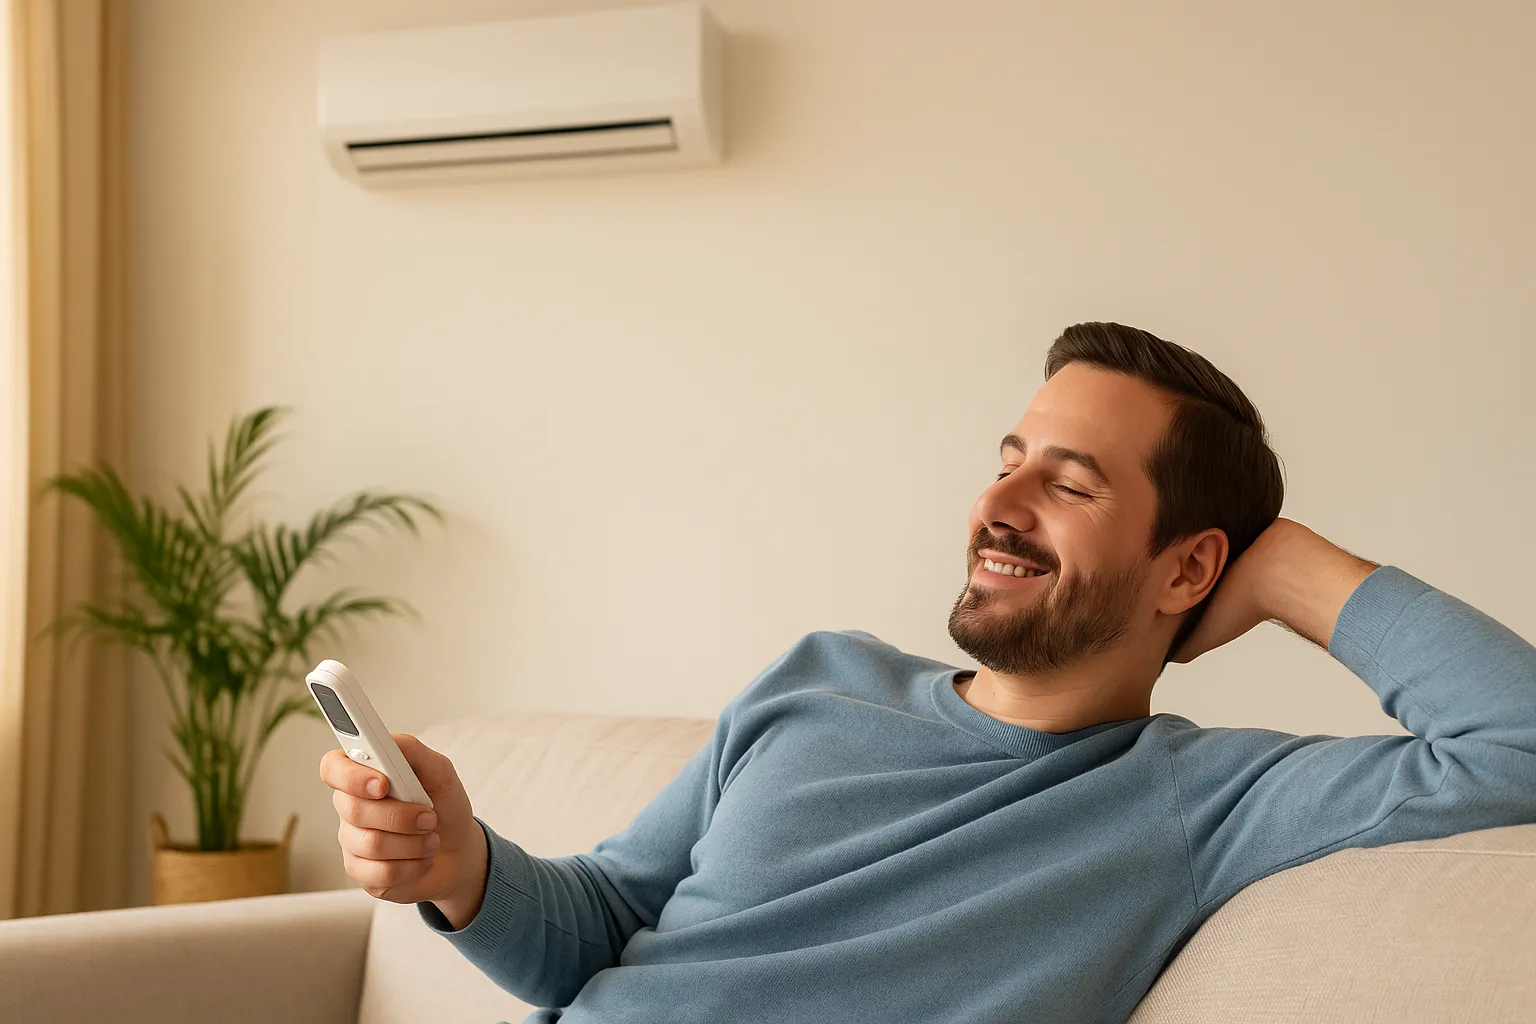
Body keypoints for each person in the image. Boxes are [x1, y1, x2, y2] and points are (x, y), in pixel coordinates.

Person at [320, 322, 1536, 1023]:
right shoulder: (818, 678)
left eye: (1068, 485)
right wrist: (462, 864)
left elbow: (1515, 740)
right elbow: (604, 924)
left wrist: (1290, 572)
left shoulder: (1197, 801)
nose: (997, 505)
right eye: (1009, 459)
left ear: (1187, 568)